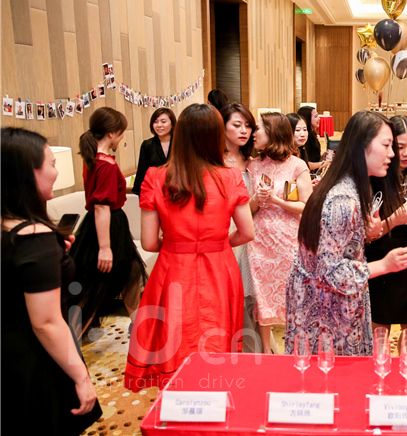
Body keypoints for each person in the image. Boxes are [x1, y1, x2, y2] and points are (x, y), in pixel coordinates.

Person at [124, 104, 255, 389]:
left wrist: (175, 243)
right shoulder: (231, 177)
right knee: (217, 342)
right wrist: (219, 243)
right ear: (216, 136)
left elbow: (149, 242)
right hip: (219, 270)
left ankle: (178, 403)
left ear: (179, 134)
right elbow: (247, 232)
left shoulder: (156, 177)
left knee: (175, 342)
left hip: (173, 269)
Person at [285, 111, 407, 356]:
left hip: (321, 301)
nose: (392, 154)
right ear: (361, 146)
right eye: (386, 145)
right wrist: (384, 265)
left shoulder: (347, 185)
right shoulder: (343, 200)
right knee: (331, 373)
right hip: (327, 310)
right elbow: (329, 271)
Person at [1, 128, 102, 434]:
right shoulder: (33, 237)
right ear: (27, 173)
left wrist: (52, 259)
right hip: (34, 359)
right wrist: (81, 377)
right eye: (51, 163)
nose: (56, 172)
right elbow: (45, 322)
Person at [71, 108, 146, 339]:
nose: (121, 138)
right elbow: (101, 206)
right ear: (112, 133)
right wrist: (105, 248)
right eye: (121, 133)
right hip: (107, 227)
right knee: (95, 287)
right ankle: (71, 341)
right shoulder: (104, 165)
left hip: (107, 225)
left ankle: (140, 330)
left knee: (130, 274)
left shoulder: (94, 159)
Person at [247, 112, 312, 354]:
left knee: (292, 295)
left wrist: (276, 200)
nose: (254, 133)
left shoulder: (297, 165)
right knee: (262, 296)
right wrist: (257, 199)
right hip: (259, 241)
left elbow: (306, 206)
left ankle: (294, 350)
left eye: (259, 129)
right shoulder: (253, 166)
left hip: (288, 240)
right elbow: (247, 210)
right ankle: (266, 351)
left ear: (273, 132)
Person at [366, 116, 407, 345]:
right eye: (399, 147)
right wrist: (396, 219)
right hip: (379, 255)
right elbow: (367, 235)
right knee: (379, 325)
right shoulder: (377, 174)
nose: (406, 153)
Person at [221, 103, 260, 352]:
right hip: (225, 233)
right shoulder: (215, 162)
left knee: (250, 298)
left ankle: (251, 350)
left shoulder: (253, 162)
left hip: (250, 234)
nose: (244, 130)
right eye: (237, 125)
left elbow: (251, 207)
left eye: (247, 126)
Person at [132, 108, 175, 195]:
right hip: (155, 193)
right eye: (155, 122)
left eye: (163, 121)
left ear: (172, 124)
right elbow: (142, 172)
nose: (159, 125)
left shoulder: (180, 143)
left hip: (177, 192)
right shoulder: (147, 145)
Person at [297, 106, 323, 172]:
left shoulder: (312, 134)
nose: (319, 118)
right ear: (307, 118)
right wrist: (323, 164)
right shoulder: (305, 138)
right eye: (316, 116)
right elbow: (305, 164)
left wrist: (323, 157)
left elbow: (314, 157)